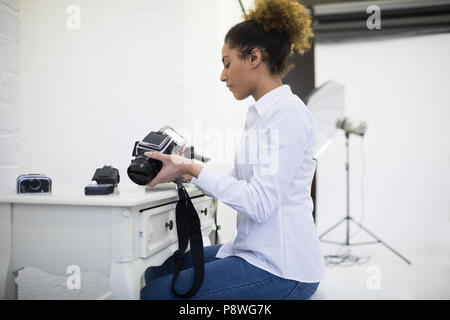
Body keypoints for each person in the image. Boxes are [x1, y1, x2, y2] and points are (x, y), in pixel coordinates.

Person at [140, 0, 324, 300]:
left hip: (282, 269)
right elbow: (241, 180)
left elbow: (259, 203)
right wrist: (183, 171)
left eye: (227, 63)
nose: (223, 76)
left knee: (157, 294)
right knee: (157, 273)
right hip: (252, 251)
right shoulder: (261, 115)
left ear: (254, 57)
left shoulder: (288, 114)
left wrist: (192, 168)